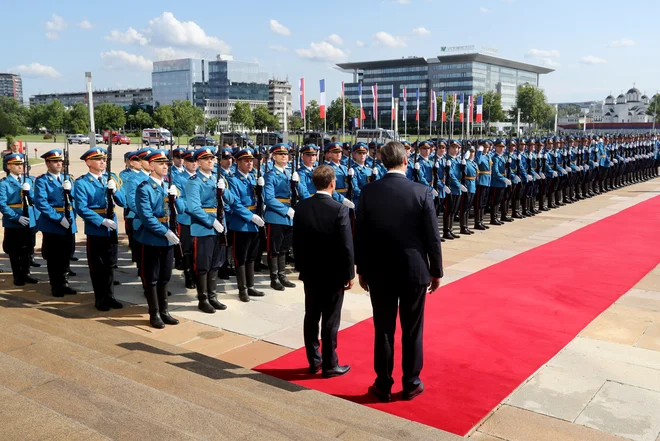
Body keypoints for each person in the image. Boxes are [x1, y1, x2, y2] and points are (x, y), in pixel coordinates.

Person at [354, 141, 443, 403]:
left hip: (379, 272)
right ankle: (411, 382)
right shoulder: (422, 191)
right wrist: (436, 270)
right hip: (413, 271)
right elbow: (432, 237)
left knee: (383, 329)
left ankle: (383, 384)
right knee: (412, 329)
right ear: (406, 160)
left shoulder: (369, 192)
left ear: (382, 162)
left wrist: (362, 269)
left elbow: (361, 236)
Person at [293, 165, 354, 378]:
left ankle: (314, 361)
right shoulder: (339, 209)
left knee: (311, 316)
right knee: (330, 319)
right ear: (332, 183)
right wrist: (349, 274)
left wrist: (300, 266)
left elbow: (297, 241)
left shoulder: (301, 207)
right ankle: (330, 364)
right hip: (333, 274)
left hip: (310, 272)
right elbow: (346, 246)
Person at [134, 149, 183, 328]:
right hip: (152, 238)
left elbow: (183, 208)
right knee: (151, 277)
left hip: (168, 238)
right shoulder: (144, 188)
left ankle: (164, 311)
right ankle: (154, 313)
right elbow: (146, 217)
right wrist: (165, 232)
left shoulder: (168, 186)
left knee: (165, 276)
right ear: (152, 165)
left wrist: (175, 197)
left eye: (166, 163)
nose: (165, 166)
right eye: (161, 163)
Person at [74, 147, 126, 311]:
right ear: (88, 162)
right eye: (98, 159)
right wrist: (101, 221)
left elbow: (123, 202)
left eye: (104, 159)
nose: (102, 162)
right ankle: (100, 298)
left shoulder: (110, 179)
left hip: (111, 228)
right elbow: (81, 207)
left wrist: (115, 190)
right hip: (96, 229)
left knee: (110, 265)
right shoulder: (82, 182)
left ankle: (110, 296)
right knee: (98, 266)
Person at [186, 147, 232, 313]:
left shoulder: (217, 179)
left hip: (219, 225)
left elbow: (231, 200)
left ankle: (213, 296)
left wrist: (223, 190)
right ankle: (203, 298)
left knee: (216, 263)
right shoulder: (194, 182)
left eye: (212, 159)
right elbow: (193, 207)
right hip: (204, 227)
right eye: (206, 159)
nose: (210, 162)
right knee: (203, 265)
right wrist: (211, 222)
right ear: (198, 162)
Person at [33, 149, 77, 297]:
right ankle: (55, 285)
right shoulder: (42, 181)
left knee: (66, 255)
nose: (59, 164)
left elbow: (75, 200)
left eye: (60, 161)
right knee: (54, 257)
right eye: (55, 161)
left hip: (69, 222)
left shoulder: (67, 179)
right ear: (47, 163)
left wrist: (70, 191)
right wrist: (59, 218)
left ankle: (64, 283)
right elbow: (41, 203)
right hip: (53, 224)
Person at [226, 147, 266, 302]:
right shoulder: (233, 180)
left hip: (254, 222)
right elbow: (235, 204)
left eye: (251, 160)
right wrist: (251, 217)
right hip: (241, 223)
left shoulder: (252, 178)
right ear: (238, 162)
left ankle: (250, 286)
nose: (250, 163)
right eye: (246, 161)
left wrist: (260, 191)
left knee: (251, 256)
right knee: (240, 258)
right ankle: (242, 289)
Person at [0, 153, 39, 285]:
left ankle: (26, 273)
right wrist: (16, 217)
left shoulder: (28, 180)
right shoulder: (4, 183)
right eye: (16, 164)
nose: (20, 167)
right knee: (15, 250)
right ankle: (17, 275)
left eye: (21, 164)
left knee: (28, 249)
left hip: (29, 219)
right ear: (8, 166)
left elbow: (35, 201)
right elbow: (2, 204)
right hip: (14, 222)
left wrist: (29, 193)